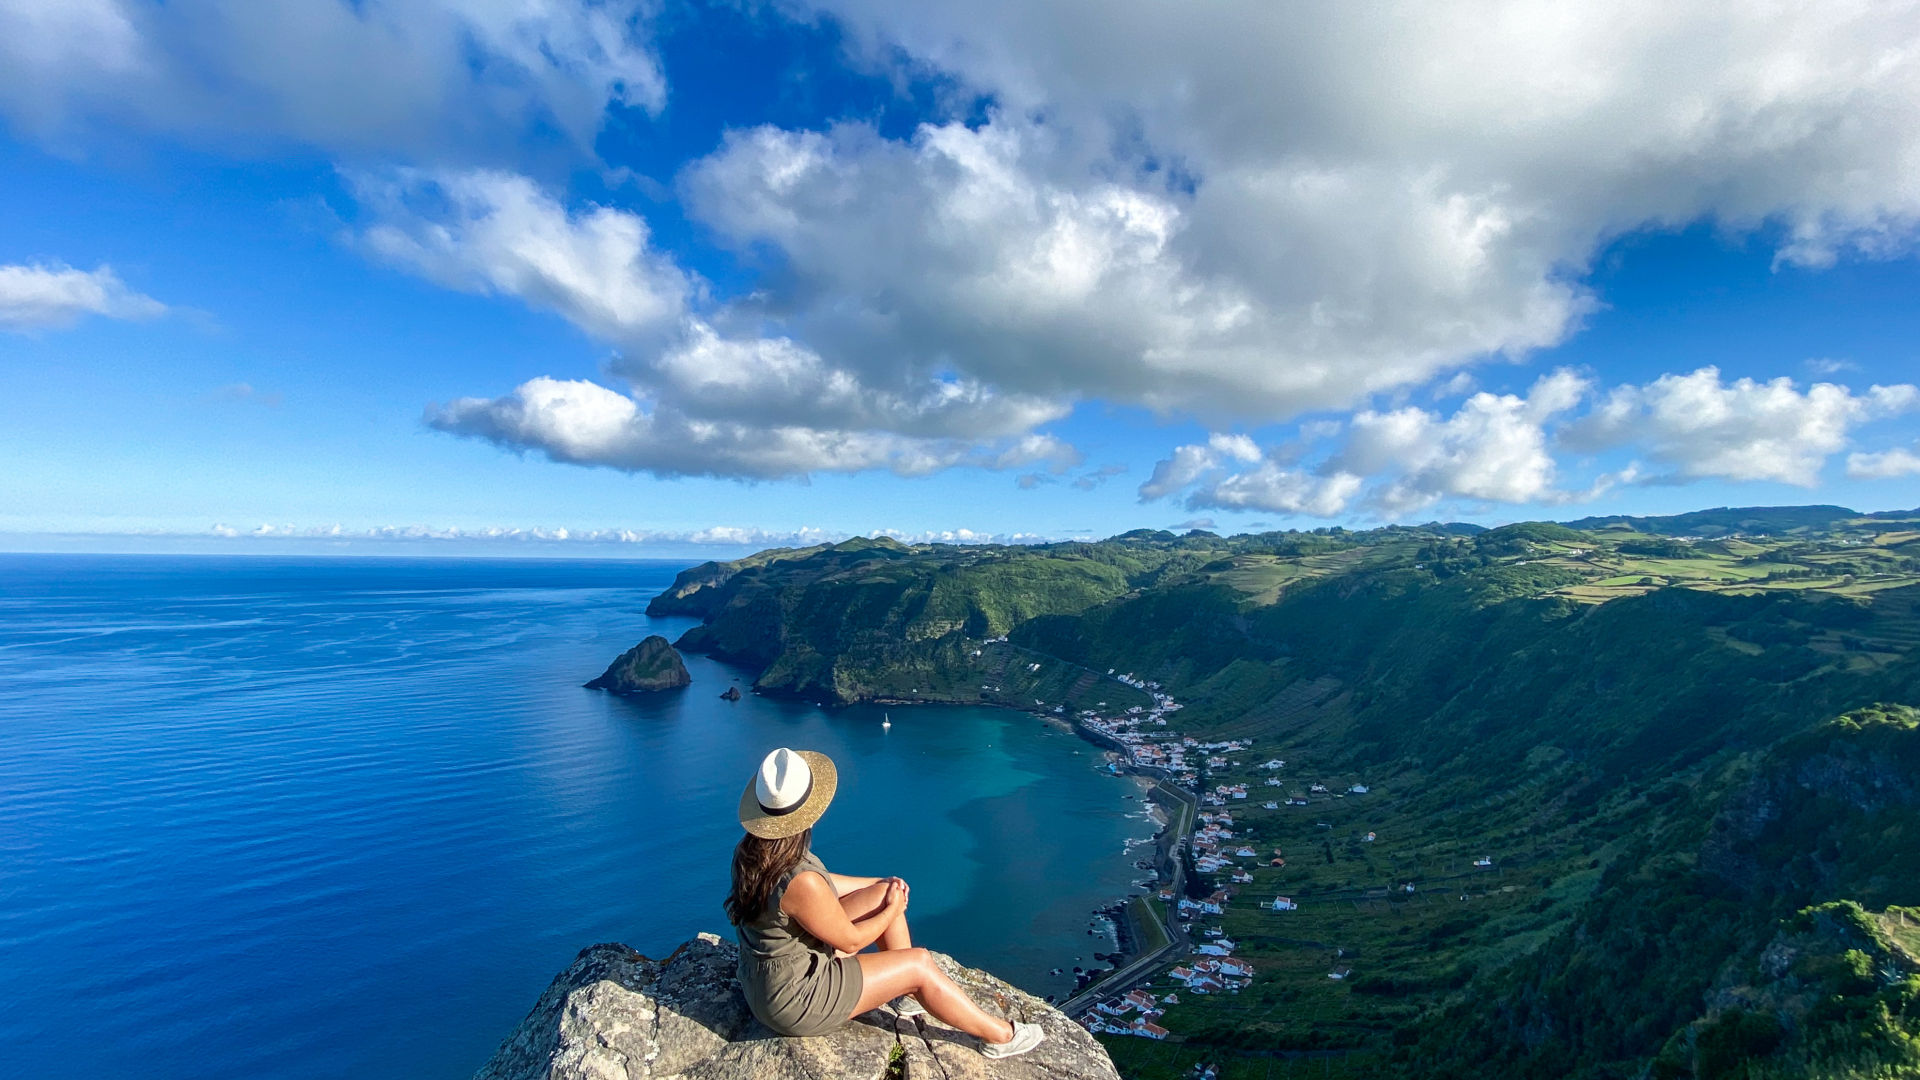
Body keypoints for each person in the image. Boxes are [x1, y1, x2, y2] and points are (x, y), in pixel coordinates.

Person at [725, 747, 1046, 1059]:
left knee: (881, 896)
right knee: (919, 963)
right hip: (797, 999)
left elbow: (822, 887)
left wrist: (880, 886)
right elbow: (850, 939)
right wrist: (894, 908)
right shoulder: (799, 879)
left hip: (770, 979)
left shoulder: (757, 850)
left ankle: (906, 995)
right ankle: (1001, 1036)